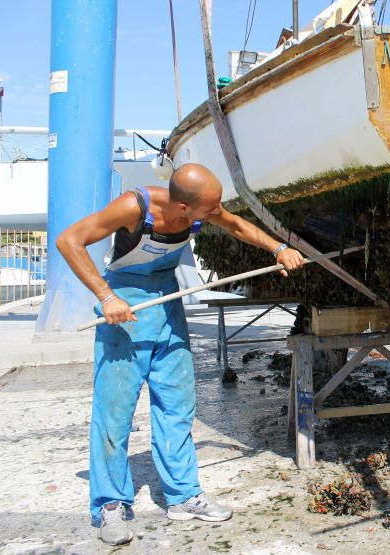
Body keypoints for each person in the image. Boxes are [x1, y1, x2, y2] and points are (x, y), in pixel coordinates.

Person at [57, 163, 304, 545]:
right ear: (185, 208)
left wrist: (279, 247)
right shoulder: (133, 207)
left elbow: (236, 224)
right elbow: (69, 240)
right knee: (115, 411)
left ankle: (183, 495)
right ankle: (109, 505)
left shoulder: (200, 208)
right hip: (126, 308)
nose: (217, 213)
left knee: (177, 405)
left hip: (167, 305)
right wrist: (107, 297)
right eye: (210, 209)